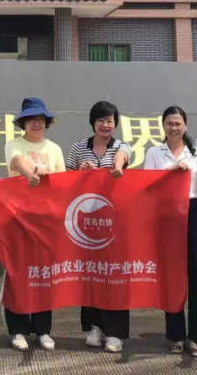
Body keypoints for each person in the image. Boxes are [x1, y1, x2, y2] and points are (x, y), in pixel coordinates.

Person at [145, 105, 197, 358]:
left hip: (193, 212)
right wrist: (169, 173)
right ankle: (175, 335)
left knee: (196, 275)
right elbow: (148, 186)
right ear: (163, 126)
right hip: (166, 215)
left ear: (185, 126)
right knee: (171, 276)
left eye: (178, 124)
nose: (173, 128)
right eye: (169, 123)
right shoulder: (155, 152)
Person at [65, 100, 131, 353]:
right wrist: (80, 173)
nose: (105, 125)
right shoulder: (78, 147)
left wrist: (116, 167)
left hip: (115, 224)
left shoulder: (121, 147)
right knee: (91, 274)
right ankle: (95, 326)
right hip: (87, 225)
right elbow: (65, 181)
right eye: (101, 120)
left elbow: (123, 158)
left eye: (110, 120)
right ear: (93, 122)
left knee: (115, 275)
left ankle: (115, 332)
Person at [3, 96, 65, 352]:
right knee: (17, 274)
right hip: (18, 218)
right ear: (23, 123)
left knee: (44, 275)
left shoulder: (55, 149)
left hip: (46, 221)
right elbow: (17, 161)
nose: (36, 124)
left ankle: (43, 330)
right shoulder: (13, 144)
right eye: (31, 120)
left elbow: (63, 183)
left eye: (40, 119)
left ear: (46, 122)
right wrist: (30, 176)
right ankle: (18, 330)